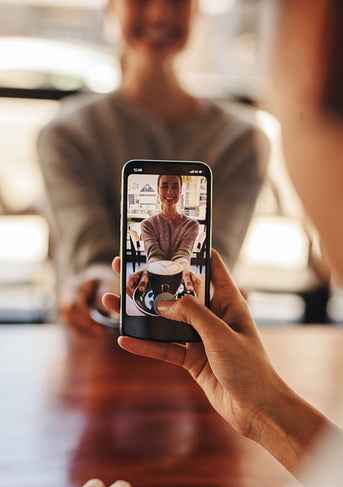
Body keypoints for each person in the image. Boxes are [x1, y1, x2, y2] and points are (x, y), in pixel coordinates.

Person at [11, 0, 343, 487]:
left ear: (318, 47)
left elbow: (208, 261)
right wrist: (267, 406)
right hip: (110, 368)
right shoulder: (68, 132)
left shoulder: (237, 142)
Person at [37, 0, 268, 336]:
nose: (160, 13)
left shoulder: (243, 140)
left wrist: (216, 288)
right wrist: (101, 283)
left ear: (196, 9)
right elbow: (92, 251)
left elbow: (217, 258)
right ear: (111, 7)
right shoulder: (65, 134)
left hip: (193, 344)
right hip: (94, 338)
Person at [126, 174, 201, 297]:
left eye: (175, 186)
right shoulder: (147, 224)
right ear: (158, 190)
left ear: (181, 190)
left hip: (179, 282)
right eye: (164, 186)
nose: (170, 191)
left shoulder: (191, 225)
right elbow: (155, 255)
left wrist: (186, 268)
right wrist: (148, 267)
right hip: (154, 279)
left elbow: (182, 254)